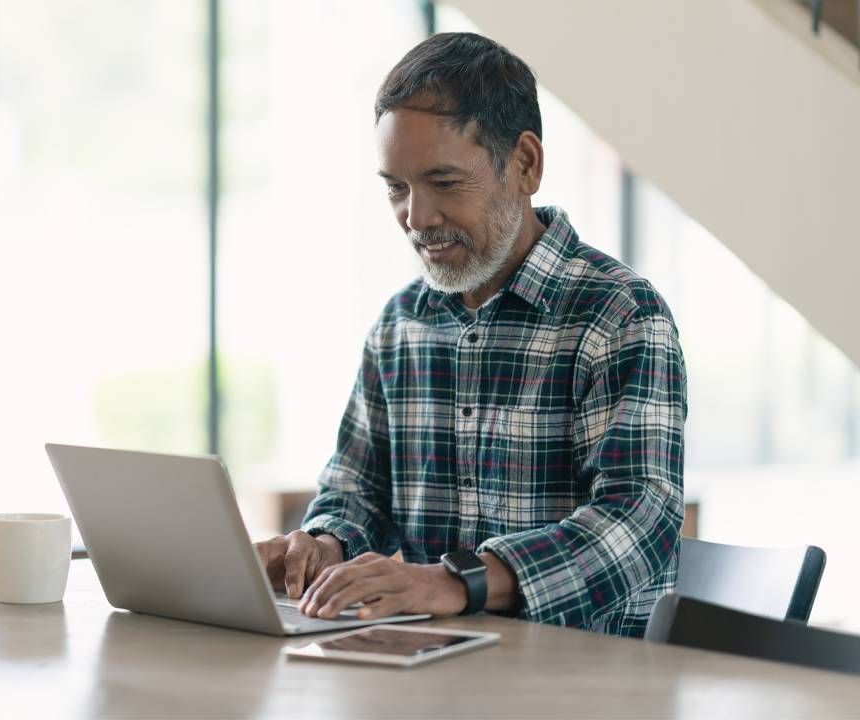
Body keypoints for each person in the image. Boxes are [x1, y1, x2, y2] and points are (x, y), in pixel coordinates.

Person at [254, 32, 687, 638]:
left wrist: (457, 582)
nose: (417, 217)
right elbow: (356, 491)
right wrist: (322, 546)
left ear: (525, 165)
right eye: (396, 187)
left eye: (444, 182)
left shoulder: (619, 315)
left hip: (588, 681)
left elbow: (635, 523)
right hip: (437, 671)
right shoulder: (400, 326)